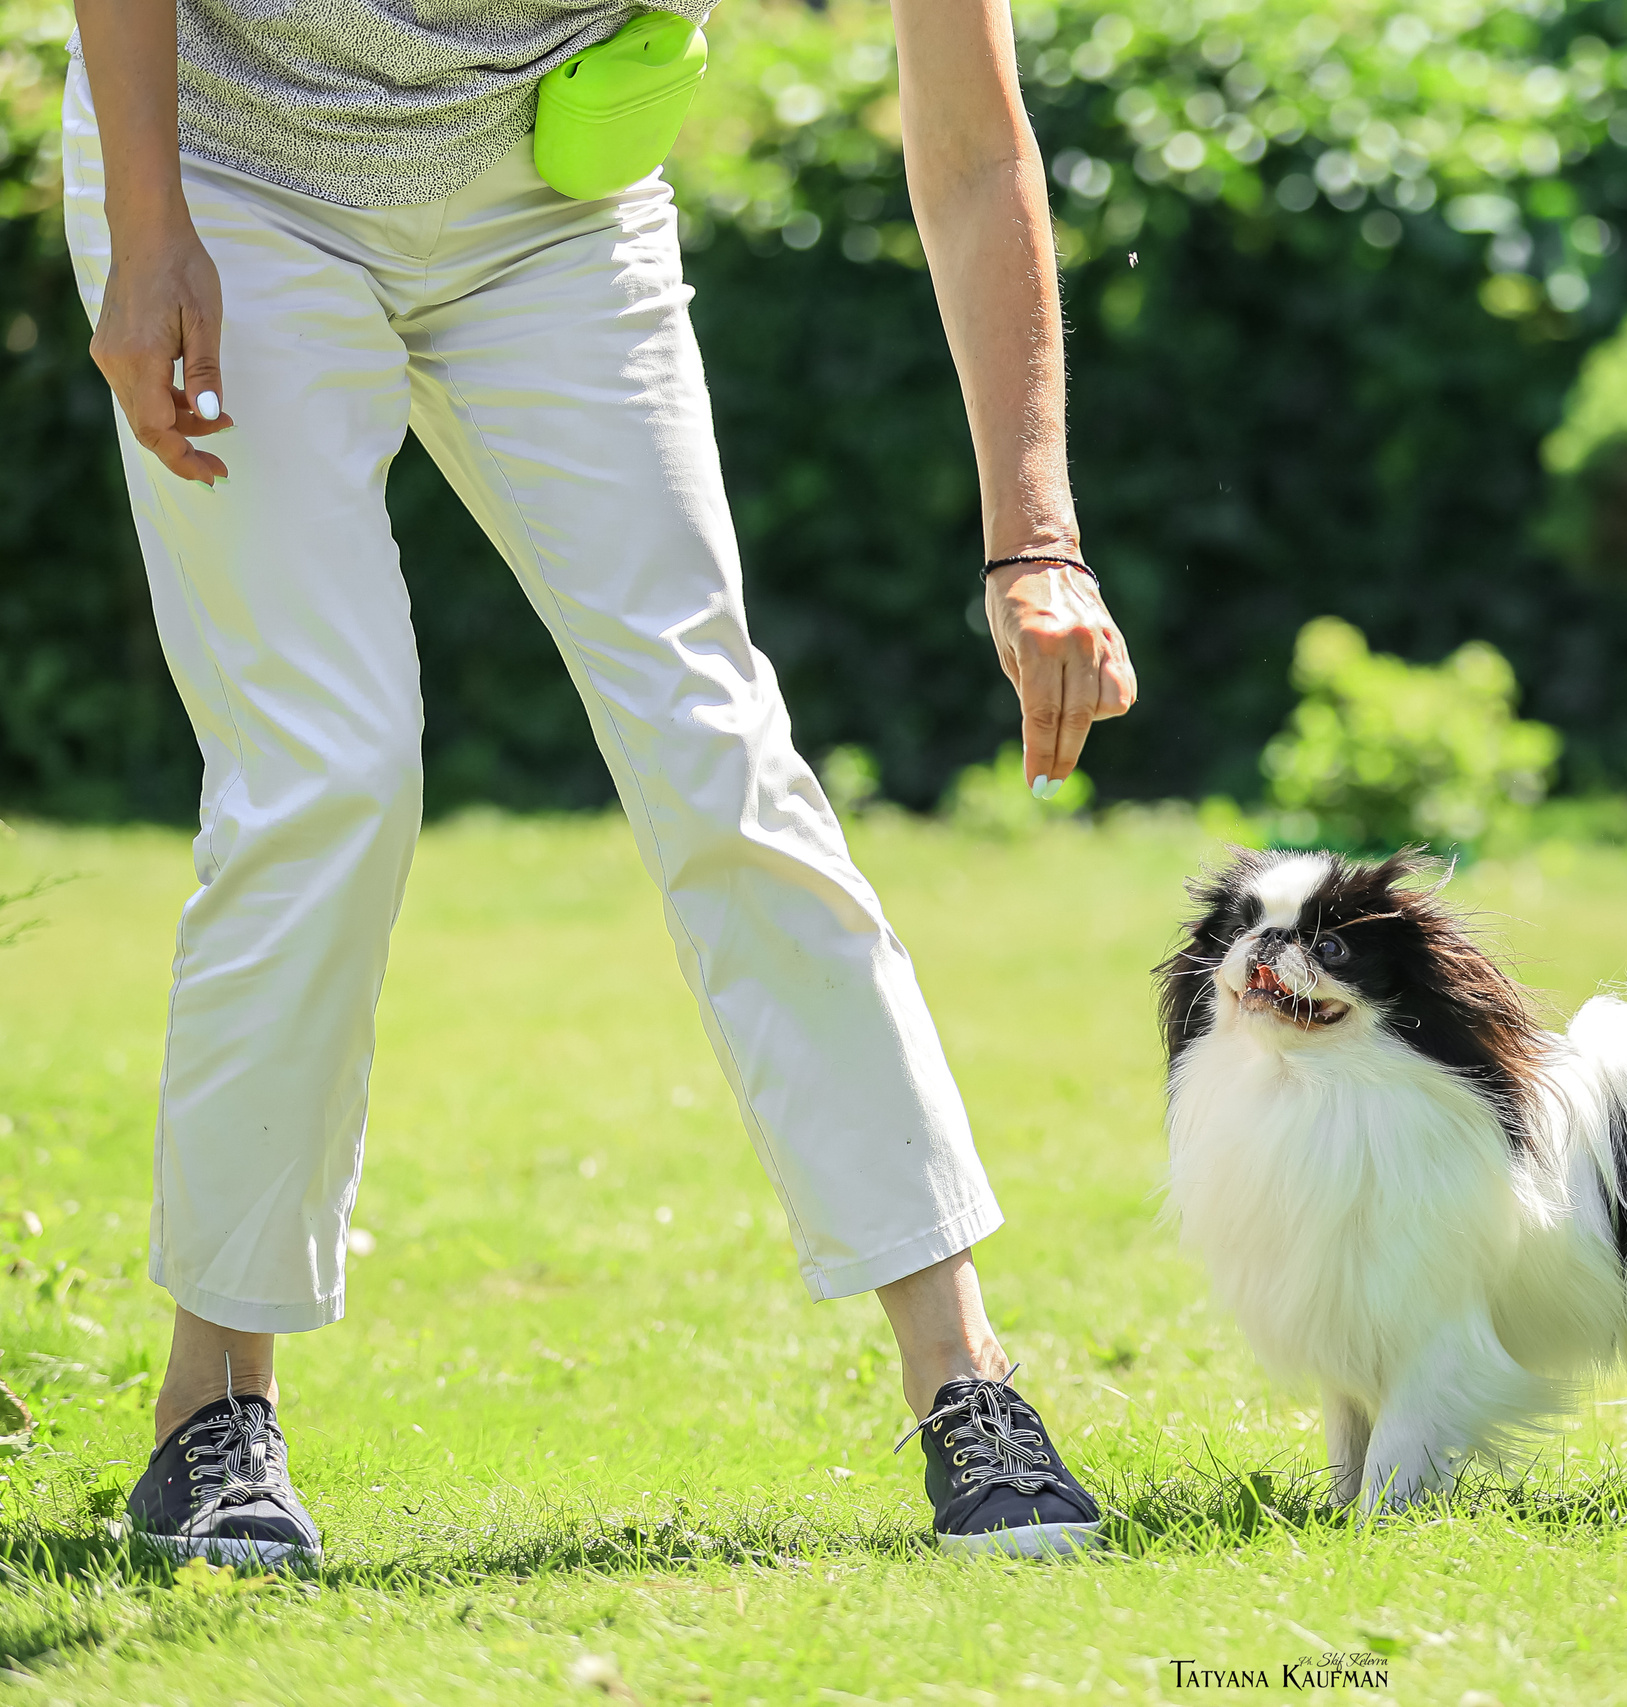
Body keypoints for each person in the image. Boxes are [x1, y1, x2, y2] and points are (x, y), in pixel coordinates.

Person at [66, 0, 1137, 1564]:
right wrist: (148, 221)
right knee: (328, 775)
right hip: (239, 181)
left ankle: (966, 1382)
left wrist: (1037, 547)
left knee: (721, 750)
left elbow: (975, 152)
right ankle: (211, 1408)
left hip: (550, 213)